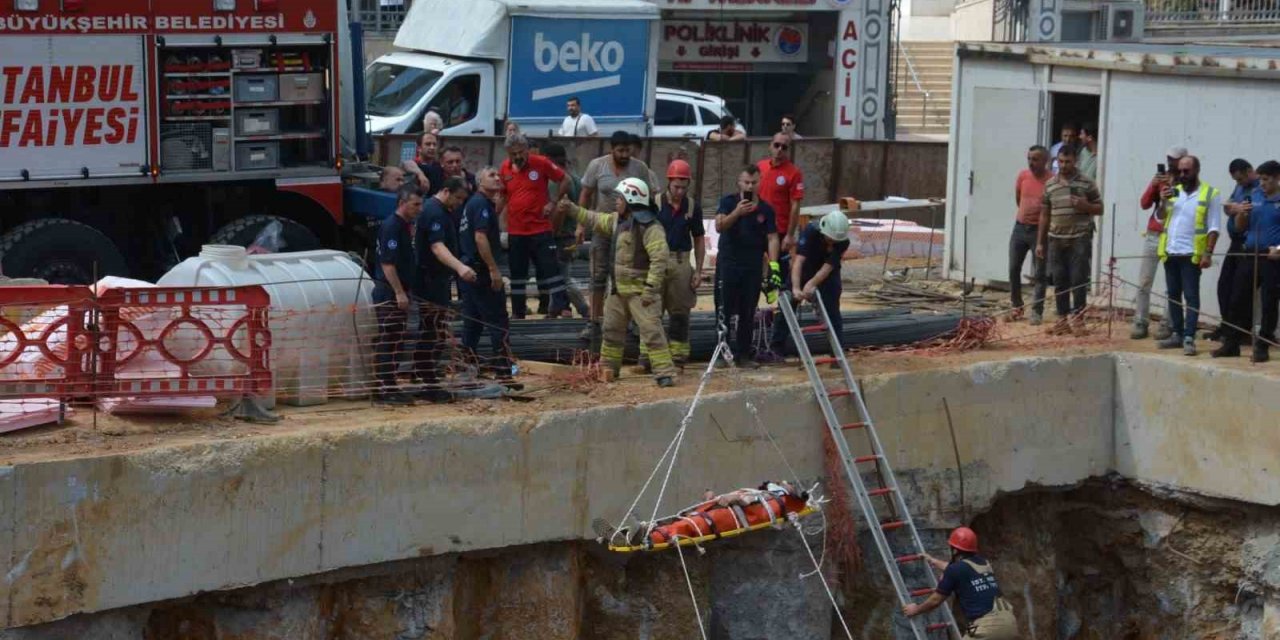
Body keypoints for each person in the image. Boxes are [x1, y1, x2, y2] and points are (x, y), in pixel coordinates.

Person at [558, 178, 676, 387]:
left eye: (620, 198)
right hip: (618, 291)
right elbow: (594, 219)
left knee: (652, 333)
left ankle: (664, 373)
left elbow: (660, 260)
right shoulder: (617, 221)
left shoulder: (651, 227)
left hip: (642, 293)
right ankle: (609, 368)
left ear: (631, 199)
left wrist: (651, 289)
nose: (616, 202)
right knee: (611, 331)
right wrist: (572, 209)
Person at [580, 131, 660, 345]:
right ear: (611, 149)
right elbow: (586, 194)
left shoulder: (639, 168)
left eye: (628, 150)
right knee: (597, 275)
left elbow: (651, 196)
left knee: (627, 275)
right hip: (602, 228)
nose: (625, 154)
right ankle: (594, 321)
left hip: (629, 230)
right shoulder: (597, 166)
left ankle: (631, 320)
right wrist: (581, 224)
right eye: (620, 150)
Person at [414, 177, 478, 401]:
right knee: (433, 331)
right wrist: (460, 268)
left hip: (439, 279)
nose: (460, 204)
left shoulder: (442, 211)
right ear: (446, 191)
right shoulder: (434, 212)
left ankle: (426, 375)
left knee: (436, 330)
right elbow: (437, 247)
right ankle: (427, 380)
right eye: (458, 198)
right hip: (431, 280)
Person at [499, 133, 571, 319]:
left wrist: (553, 202)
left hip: (540, 229)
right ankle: (518, 312)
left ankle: (561, 307)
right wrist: (493, 217)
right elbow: (503, 197)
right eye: (513, 153)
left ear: (527, 150)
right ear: (508, 153)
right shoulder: (504, 169)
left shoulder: (541, 163)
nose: (517, 157)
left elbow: (565, 180)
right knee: (517, 274)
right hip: (516, 231)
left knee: (550, 269)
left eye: (520, 152)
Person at [1155, 155, 1220, 357]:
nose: (1182, 175)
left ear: (1196, 170)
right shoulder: (1175, 192)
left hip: (1191, 254)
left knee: (1191, 297)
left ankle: (1189, 336)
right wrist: (1164, 201)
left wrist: (1208, 253)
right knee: (1173, 296)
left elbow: (1214, 227)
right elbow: (1160, 217)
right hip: (1171, 252)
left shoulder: (1210, 193)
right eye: (1180, 171)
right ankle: (1177, 334)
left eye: (1186, 171)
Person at [459, 167, 519, 383]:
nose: (497, 177)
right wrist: (493, 269)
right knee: (498, 321)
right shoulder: (481, 204)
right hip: (482, 272)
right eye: (492, 175)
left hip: (471, 272)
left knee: (473, 323)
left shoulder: (476, 204)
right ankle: (504, 371)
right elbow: (480, 238)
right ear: (479, 182)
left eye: (498, 175)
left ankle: (468, 367)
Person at [903, 527, 1019, 639]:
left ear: (954, 550)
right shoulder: (984, 563)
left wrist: (916, 609)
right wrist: (933, 561)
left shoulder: (955, 570)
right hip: (1009, 623)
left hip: (989, 625)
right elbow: (958, 570)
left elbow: (936, 600)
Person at [716, 165, 780, 367]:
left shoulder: (766, 209)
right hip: (729, 262)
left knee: (748, 310)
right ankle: (721, 353)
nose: (750, 186)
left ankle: (744, 355)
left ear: (760, 183)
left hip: (752, 265)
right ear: (739, 182)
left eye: (753, 182)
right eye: (746, 182)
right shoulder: (728, 202)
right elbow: (719, 226)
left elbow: (772, 238)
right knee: (723, 308)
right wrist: (737, 212)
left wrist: (774, 265)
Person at [1036, 146, 1103, 335]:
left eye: (1068, 161)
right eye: (1061, 161)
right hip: (1056, 239)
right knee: (1059, 280)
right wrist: (1040, 242)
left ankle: (1079, 320)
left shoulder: (1087, 183)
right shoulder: (1050, 185)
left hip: (1079, 238)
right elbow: (1044, 214)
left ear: (1076, 162)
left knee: (1078, 280)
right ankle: (1062, 320)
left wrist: (1085, 205)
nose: (1064, 165)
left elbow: (1100, 208)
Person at [768, 211, 851, 362]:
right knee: (786, 304)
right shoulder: (811, 232)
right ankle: (776, 349)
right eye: (830, 238)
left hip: (827, 275)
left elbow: (828, 267)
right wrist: (796, 288)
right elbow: (798, 262)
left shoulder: (843, 241)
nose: (832, 242)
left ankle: (837, 353)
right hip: (805, 268)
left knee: (832, 310)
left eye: (835, 240)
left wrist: (812, 284)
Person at [1219, 160, 1280, 363]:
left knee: (1269, 303)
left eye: (1266, 179)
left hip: (1271, 258)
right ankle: (1231, 343)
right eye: (1260, 179)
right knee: (1237, 299)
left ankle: (1262, 345)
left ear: (1277, 178)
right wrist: (1242, 214)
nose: (1262, 184)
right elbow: (1239, 227)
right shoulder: (1254, 196)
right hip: (1249, 254)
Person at [371, 185, 423, 406]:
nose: (419, 209)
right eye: (415, 205)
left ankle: (390, 383)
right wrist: (399, 292)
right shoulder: (392, 226)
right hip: (389, 291)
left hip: (400, 290)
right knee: (389, 340)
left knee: (397, 339)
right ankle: (385, 387)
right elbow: (387, 264)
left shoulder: (405, 226)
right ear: (402, 203)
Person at [756, 133, 806, 361]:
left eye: (784, 147)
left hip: (781, 235)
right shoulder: (760, 168)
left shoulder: (793, 173)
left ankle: (777, 342)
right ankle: (759, 327)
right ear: (770, 145)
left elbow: (795, 206)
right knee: (760, 283)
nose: (779, 150)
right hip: (758, 235)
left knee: (782, 284)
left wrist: (790, 235)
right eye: (776, 145)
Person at [654, 159, 707, 366]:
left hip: (681, 261)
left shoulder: (693, 207)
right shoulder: (655, 204)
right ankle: (650, 356)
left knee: (680, 311)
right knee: (652, 311)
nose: (679, 192)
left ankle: (678, 355)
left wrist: (699, 270)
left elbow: (699, 238)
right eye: (676, 187)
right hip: (657, 261)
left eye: (683, 188)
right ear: (668, 182)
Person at [1132, 147, 1188, 340]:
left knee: (1171, 284)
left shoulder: (1188, 183)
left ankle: (1167, 323)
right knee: (1144, 281)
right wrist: (1154, 184)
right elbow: (1145, 203)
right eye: (1169, 159)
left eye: (1175, 160)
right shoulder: (1161, 178)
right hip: (1155, 233)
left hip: (1175, 235)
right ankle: (1140, 321)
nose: (1171, 163)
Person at [1209, 159, 1258, 348]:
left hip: (1248, 244)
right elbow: (1228, 206)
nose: (1238, 183)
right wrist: (1234, 208)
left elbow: (1246, 211)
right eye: (1235, 180)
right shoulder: (1239, 188)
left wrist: (1235, 209)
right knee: (1224, 286)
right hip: (1235, 243)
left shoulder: (1258, 190)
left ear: (1249, 171)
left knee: (1241, 291)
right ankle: (1227, 325)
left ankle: (1240, 331)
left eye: (1240, 179)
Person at [544, 143, 590, 318]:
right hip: (570, 233)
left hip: (562, 235)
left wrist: (553, 232)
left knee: (563, 278)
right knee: (557, 274)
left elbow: (561, 210)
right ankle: (553, 309)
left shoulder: (559, 181)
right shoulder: (575, 178)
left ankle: (585, 309)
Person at [1009, 146, 1051, 324]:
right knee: (1013, 269)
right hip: (1020, 228)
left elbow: (1049, 210)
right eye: (1029, 159)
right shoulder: (1023, 176)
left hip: (1039, 232)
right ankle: (1017, 306)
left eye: (1035, 159)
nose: (1031, 163)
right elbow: (1019, 199)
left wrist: (1041, 237)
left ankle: (1037, 311)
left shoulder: (1051, 181)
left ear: (1045, 161)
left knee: (1040, 274)